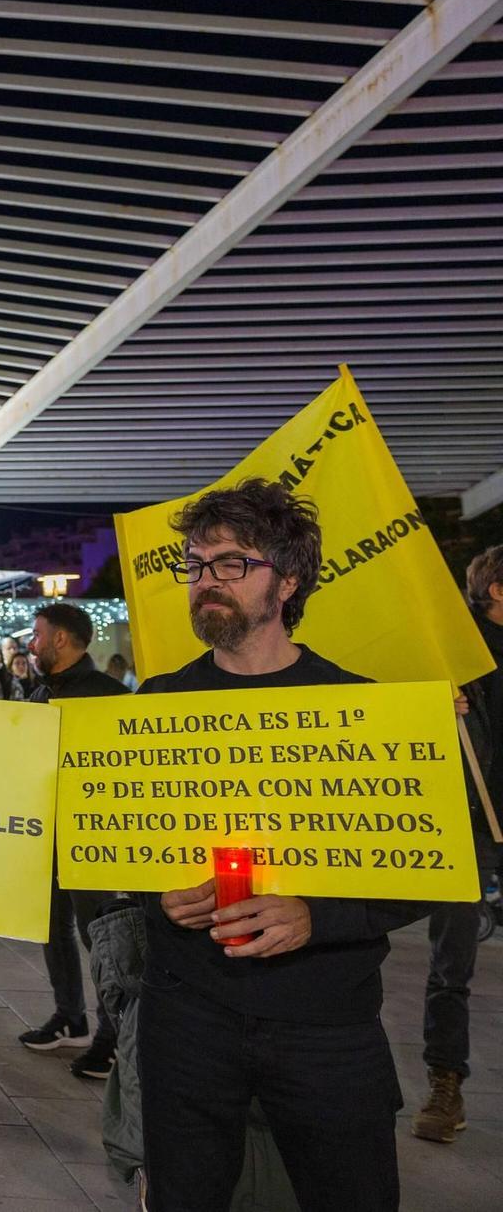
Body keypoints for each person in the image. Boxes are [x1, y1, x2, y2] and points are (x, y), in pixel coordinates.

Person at [139, 479, 430, 1209]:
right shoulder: (156, 703)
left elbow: (432, 874)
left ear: (290, 578)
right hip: (189, 1018)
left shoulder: (361, 706)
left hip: (326, 1023)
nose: (208, 580)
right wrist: (155, 894)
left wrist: (317, 914)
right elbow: (112, 845)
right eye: (196, 564)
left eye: (232, 562)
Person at [413, 545, 503, 1142]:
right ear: (496, 589)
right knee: (452, 965)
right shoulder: (455, 651)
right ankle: (446, 1086)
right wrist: (435, 708)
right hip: (472, 822)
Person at [17, 602, 129, 1081]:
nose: (32, 645)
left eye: (38, 635)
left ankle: (113, 1035)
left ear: (61, 639)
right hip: (47, 831)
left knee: (97, 935)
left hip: (90, 836)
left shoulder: (104, 694)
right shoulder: (44, 690)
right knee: (50, 927)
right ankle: (70, 1017)